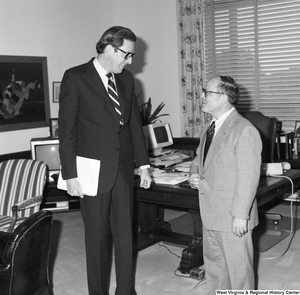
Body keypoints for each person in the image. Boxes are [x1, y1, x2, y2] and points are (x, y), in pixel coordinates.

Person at [58, 26, 152, 295]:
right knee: (97, 241)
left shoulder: (127, 80)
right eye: (127, 54)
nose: (130, 61)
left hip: (123, 171)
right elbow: (67, 131)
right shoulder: (75, 77)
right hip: (91, 173)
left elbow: (135, 124)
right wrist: (70, 174)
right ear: (110, 48)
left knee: (125, 238)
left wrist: (144, 165)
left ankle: (126, 291)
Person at [189, 76, 262, 292]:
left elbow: (248, 177)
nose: (201, 96)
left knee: (240, 275)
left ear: (223, 98)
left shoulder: (244, 129)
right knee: (215, 270)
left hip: (233, 216)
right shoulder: (210, 126)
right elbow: (198, 159)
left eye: (207, 92)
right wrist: (194, 173)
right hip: (210, 212)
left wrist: (241, 215)